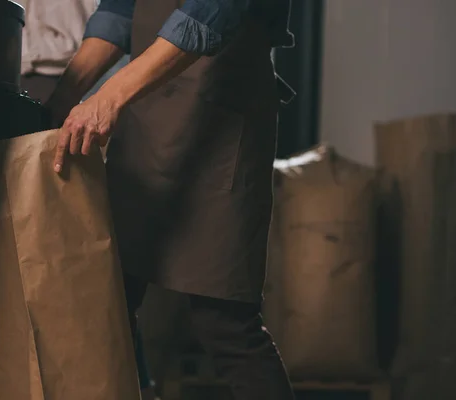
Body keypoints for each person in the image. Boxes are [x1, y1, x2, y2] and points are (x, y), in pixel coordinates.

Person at [46, 0, 296, 398]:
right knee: (110, 299)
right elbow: (121, 10)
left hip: (221, 123)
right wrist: (65, 95)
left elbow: (215, 10)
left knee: (224, 322)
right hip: (146, 121)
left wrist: (109, 94)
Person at [19, 1, 158, 399]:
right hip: (19, 78)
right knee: (33, 264)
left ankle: (136, 387)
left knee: (95, 264)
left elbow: (119, 14)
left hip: (91, 74)